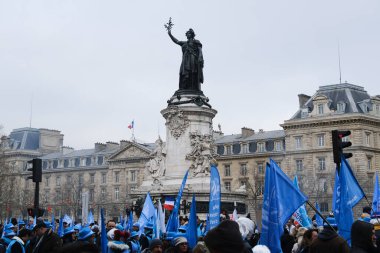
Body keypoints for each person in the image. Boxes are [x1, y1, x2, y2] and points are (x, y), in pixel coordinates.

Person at [167, 27, 204, 92]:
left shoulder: (196, 42)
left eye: (188, 33)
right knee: (184, 72)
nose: (187, 35)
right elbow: (177, 41)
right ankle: (183, 87)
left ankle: (193, 87)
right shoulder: (184, 43)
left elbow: (200, 50)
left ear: (192, 34)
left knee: (193, 72)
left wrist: (200, 57)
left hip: (193, 58)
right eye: (186, 34)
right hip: (185, 60)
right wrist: (170, 34)